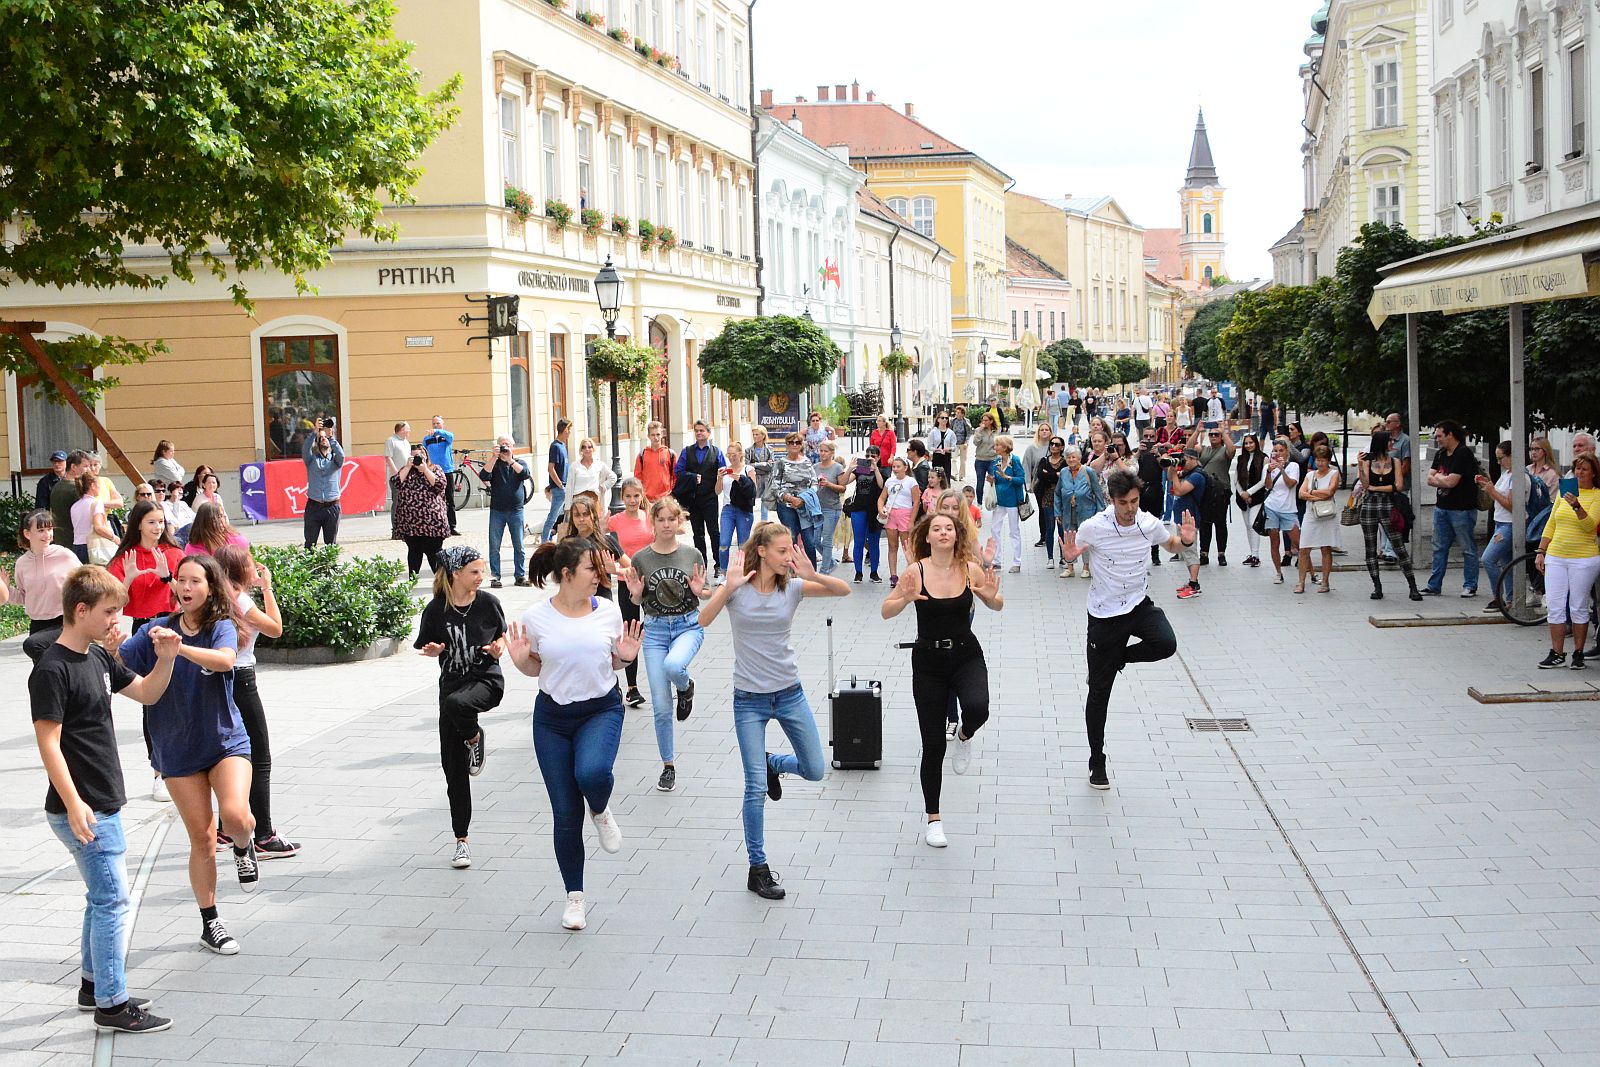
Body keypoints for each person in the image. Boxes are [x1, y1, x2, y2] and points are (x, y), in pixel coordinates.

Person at [31, 566, 179, 1034]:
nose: (117, 619)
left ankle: (94, 986)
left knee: (102, 899)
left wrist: (168, 658)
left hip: (100, 800)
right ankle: (113, 1006)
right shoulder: (53, 670)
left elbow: (147, 693)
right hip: (85, 806)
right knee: (115, 900)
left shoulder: (97, 658)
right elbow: (48, 743)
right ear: (80, 610)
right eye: (109, 611)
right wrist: (75, 803)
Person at [698, 524, 848, 897]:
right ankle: (758, 867)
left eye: (789, 551)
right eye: (782, 551)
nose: (788, 557)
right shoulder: (737, 590)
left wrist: (814, 574)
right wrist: (726, 587)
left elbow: (842, 591)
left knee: (815, 769)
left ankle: (775, 763)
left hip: (789, 694)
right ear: (762, 552)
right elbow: (703, 620)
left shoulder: (793, 588)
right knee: (754, 789)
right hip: (748, 700)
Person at [119, 554, 256, 955]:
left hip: (224, 741)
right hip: (176, 748)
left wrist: (180, 651)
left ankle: (245, 845)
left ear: (211, 587)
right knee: (202, 838)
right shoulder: (154, 630)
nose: (186, 587)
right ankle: (210, 922)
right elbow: (119, 665)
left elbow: (227, 661)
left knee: (234, 817)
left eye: (195, 581)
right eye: (181, 580)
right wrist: (110, 648)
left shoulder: (221, 627)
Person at [509, 538, 640, 930]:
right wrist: (519, 661)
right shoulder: (536, 618)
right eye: (591, 570)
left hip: (600, 710)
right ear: (566, 575)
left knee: (592, 774)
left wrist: (628, 657)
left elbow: (613, 661)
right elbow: (537, 669)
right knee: (565, 814)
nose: (599, 577)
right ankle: (575, 898)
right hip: (552, 720)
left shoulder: (609, 612)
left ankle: (600, 809)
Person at [1059, 470, 1196, 789]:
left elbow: (1172, 544)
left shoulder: (1147, 523)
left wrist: (1185, 539)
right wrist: (1070, 556)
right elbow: (1074, 550)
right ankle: (1097, 760)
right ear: (1112, 500)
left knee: (1166, 643)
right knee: (1099, 695)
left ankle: (1120, 658)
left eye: (1134, 501)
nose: (1130, 508)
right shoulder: (1094, 527)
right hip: (1105, 616)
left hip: (1137, 605)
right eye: (1124, 503)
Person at [881, 511, 1003, 846]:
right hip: (928, 661)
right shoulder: (915, 572)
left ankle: (964, 734)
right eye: (937, 528)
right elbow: (886, 610)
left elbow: (997, 604)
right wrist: (903, 598)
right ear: (928, 537)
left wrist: (991, 597)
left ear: (957, 535)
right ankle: (933, 818)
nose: (944, 532)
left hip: (965, 654)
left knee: (979, 708)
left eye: (949, 528)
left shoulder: (969, 569)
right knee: (933, 745)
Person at [414, 546, 506, 871]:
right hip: (451, 687)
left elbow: (502, 638)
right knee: (453, 771)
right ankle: (461, 841)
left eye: (482, 572)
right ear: (456, 574)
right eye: (475, 572)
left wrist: (499, 648)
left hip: (485, 682)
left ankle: (474, 737)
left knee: (458, 705)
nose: (481, 578)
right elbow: (426, 644)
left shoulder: (488, 604)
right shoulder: (437, 610)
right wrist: (434, 649)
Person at [213, 545, 299, 858]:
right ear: (239, 570)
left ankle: (225, 828)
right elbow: (275, 629)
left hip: (217, 679)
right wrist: (268, 588)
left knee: (227, 753)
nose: (256, 567)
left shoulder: (215, 597)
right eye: (250, 564)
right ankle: (263, 833)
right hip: (242, 679)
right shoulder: (241, 599)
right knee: (259, 757)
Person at [622, 496, 708, 793]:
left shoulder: (692, 553)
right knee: (660, 707)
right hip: (656, 630)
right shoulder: (642, 558)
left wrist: (702, 591)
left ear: (679, 522)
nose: (667, 524)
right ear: (653, 522)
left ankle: (685, 686)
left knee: (674, 665)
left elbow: (703, 592)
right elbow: (636, 600)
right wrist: (634, 594)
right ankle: (668, 765)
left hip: (687, 625)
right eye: (661, 519)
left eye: (672, 519)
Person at [1535, 453, 1600, 669]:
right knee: (1554, 605)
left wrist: (1577, 506)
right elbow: (1551, 523)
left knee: (1578, 606)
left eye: (1584, 469)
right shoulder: (1565, 493)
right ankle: (1557, 652)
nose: (1580, 473)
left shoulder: (1597, 496)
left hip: (1584, 558)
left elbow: (1590, 526)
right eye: (1577, 469)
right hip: (1556, 555)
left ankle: (1578, 653)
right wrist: (1541, 550)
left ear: (1593, 473)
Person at [1359, 431, 1422, 601]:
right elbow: (1365, 485)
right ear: (1382, 443)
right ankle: (1377, 587)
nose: (1392, 443)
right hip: (1369, 505)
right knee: (1370, 548)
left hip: (1388, 505)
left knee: (1399, 546)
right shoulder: (1367, 461)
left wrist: (1375, 488)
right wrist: (1360, 467)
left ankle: (1412, 586)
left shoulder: (1395, 461)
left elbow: (1399, 486)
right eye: (1389, 440)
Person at [1423, 419, 1481, 597]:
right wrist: (1443, 479)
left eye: (1440, 436)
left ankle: (1470, 585)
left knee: (1467, 548)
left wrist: (1441, 478)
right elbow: (1429, 478)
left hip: (1462, 509)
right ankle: (1434, 585)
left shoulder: (1463, 454)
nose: (1437, 439)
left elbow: (1452, 482)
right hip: (1442, 508)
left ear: (1450, 435)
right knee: (1439, 547)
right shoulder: (1441, 454)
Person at [610, 479, 653, 708]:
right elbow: (599, 537)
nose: (632, 501)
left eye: (636, 496)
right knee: (630, 631)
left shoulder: (650, 517)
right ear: (622, 498)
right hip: (625, 581)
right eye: (628, 496)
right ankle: (632, 687)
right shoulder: (615, 521)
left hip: (649, 581)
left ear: (641, 496)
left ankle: (663, 678)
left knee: (653, 626)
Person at [16, 510, 79, 662]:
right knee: (44, 676)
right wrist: (5, 591)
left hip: (64, 621)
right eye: (41, 530)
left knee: (51, 664)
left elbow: (85, 582)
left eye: (49, 529)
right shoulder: (22, 563)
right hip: (37, 625)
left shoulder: (65, 555)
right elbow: (24, 597)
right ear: (27, 533)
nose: (47, 535)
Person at [391, 441, 451, 581]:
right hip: (410, 522)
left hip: (432, 522)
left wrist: (425, 469)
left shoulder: (435, 469)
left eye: (420, 456)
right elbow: (396, 483)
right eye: (414, 456)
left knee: (434, 553)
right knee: (414, 552)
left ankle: (443, 584)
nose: (417, 459)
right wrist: (407, 466)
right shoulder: (406, 471)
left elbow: (440, 485)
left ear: (426, 456)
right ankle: (412, 582)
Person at [480, 434, 532, 589]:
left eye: (507, 445)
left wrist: (510, 460)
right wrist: (494, 457)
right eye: (502, 444)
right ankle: (495, 576)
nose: (505, 448)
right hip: (497, 510)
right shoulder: (494, 464)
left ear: (513, 446)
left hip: (516, 510)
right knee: (494, 546)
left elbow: (525, 475)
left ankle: (520, 575)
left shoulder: (519, 462)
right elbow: (483, 475)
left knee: (519, 545)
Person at [673, 420, 726, 574]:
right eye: (696, 430)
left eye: (702, 430)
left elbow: (723, 471)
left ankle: (718, 564)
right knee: (698, 533)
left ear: (708, 433)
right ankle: (701, 564)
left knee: (714, 531)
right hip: (693, 498)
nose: (699, 433)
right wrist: (692, 476)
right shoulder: (687, 451)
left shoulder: (717, 452)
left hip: (710, 497)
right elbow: (679, 471)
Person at [766, 431, 821, 566]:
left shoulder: (807, 462)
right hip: (786, 507)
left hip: (805, 505)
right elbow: (774, 486)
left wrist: (803, 499)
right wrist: (790, 498)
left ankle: (812, 575)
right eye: (791, 442)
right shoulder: (780, 463)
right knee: (790, 539)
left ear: (801, 445)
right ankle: (790, 573)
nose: (794, 445)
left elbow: (814, 483)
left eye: (798, 442)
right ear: (787, 445)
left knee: (809, 541)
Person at [1477, 441, 1519, 613]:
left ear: (1511, 456)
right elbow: (1499, 494)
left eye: (1501, 458)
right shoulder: (1506, 474)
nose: (1499, 462)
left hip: (1508, 525)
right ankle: (1510, 599)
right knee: (1506, 563)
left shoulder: (1516, 476)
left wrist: (1492, 491)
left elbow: (1511, 505)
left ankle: (1498, 597)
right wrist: (1487, 485)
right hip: (1501, 522)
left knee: (1488, 559)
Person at [1296, 445, 1341, 594]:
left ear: (1328, 460)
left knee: (1326, 547)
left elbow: (1330, 491)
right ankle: (1301, 582)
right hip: (1311, 513)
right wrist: (1317, 495)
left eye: (1323, 460)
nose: (1320, 463)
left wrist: (1311, 492)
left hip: (1327, 514)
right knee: (1304, 548)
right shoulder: (1310, 475)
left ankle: (1325, 582)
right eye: (1318, 460)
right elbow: (1301, 494)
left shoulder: (1334, 473)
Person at [1055, 446, 1104, 580]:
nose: (1071, 460)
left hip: (1086, 511)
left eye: (1074, 457)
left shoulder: (1088, 471)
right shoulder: (1064, 472)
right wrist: (1057, 511)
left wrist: (1100, 513)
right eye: (1068, 457)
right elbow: (1058, 493)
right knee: (1069, 538)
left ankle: (1086, 567)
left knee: (1085, 539)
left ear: (1079, 458)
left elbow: (1097, 492)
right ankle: (1070, 567)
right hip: (1067, 511)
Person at [1168, 449, 1206, 599]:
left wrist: (1177, 474)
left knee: (1190, 552)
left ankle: (1194, 585)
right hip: (1182, 518)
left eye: (1185, 460)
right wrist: (1173, 465)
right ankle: (1191, 582)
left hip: (1190, 520)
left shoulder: (1196, 475)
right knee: (1186, 551)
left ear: (1193, 459)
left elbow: (1178, 490)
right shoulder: (1188, 473)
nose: (1183, 463)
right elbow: (1171, 478)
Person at [1196, 423, 1236, 566]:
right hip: (1205, 490)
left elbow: (1232, 450)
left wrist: (1223, 431)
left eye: (1216, 435)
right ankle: (1204, 553)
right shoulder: (1204, 449)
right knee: (1205, 523)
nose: (1213, 436)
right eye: (1211, 434)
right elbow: (1189, 448)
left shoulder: (1224, 451)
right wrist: (1198, 430)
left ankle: (1221, 554)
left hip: (1221, 490)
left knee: (1220, 523)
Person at [1264, 437, 1302, 584]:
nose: (1278, 453)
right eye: (1275, 450)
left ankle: (1311, 573)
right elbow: (1268, 486)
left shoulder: (1293, 466)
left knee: (1298, 543)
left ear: (1287, 451)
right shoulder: (1269, 467)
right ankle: (1278, 572)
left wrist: (1281, 469)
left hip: (1288, 509)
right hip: (1271, 507)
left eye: (1281, 450)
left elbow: (1291, 484)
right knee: (1274, 541)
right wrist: (1268, 471)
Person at [302, 418, 344, 549]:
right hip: (314, 506)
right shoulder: (311, 460)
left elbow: (342, 455)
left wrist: (331, 437)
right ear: (317, 443)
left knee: (330, 544)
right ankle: (308, 568)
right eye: (321, 438)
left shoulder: (335, 460)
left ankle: (330, 568)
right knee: (310, 543)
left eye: (325, 438)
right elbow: (305, 449)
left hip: (332, 506)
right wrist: (315, 432)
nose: (323, 439)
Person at [844, 447, 885, 583]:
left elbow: (881, 485)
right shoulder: (861, 469)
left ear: (878, 457)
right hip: (858, 508)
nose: (869, 458)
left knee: (874, 542)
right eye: (867, 455)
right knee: (859, 541)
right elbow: (843, 482)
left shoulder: (883, 471)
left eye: (873, 455)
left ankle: (874, 572)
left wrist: (876, 469)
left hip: (874, 510)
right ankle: (858, 572)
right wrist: (850, 468)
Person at [717, 441, 758, 576]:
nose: (731, 457)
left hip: (743, 509)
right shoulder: (724, 470)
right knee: (724, 542)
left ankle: (744, 571)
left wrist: (740, 479)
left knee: (743, 544)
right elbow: (717, 492)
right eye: (728, 454)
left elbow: (754, 490)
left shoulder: (748, 469)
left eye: (734, 454)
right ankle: (723, 573)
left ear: (740, 454)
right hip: (728, 508)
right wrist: (719, 478)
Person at [986, 434, 1026, 573]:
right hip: (1000, 500)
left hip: (1013, 501)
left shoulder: (1014, 460)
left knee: (1014, 531)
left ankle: (1017, 562)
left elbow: (1021, 479)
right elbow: (996, 478)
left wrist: (1008, 477)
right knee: (994, 529)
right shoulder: (997, 460)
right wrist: (991, 480)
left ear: (1005, 447)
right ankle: (997, 560)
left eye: (997, 445)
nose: (995, 447)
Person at [879, 455, 920, 586]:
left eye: (898, 467)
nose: (895, 469)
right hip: (891, 513)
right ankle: (893, 575)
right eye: (894, 467)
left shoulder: (911, 482)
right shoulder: (889, 481)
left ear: (905, 468)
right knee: (892, 546)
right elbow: (882, 498)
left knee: (907, 546)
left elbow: (916, 501)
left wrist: (912, 520)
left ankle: (911, 574)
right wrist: (881, 509)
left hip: (905, 514)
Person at [1234, 432, 1268, 568]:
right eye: (1246, 443)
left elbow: (1264, 480)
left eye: (1251, 442)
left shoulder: (1263, 458)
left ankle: (1256, 555)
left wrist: (1249, 492)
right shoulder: (1241, 458)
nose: (1248, 445)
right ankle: (1252, 553)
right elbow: (1236, 479)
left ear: (1256, 443)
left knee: (1254, 525)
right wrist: (1242, 493)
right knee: (1248, 526)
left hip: (1257, 496)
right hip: (1242, 497)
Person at [1032, 437, 1067, 567]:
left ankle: (1063, 557)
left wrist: (1050, 475)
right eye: (1051, 444)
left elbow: (1064, 476)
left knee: (1061, 528)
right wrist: (1055, 475)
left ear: (1062, 447)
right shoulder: (1044, 460)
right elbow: (1041, 475)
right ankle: (1050, 558)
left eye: (1057, 444)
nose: (1053, 446)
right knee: (1050, 527)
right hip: (1047, 497)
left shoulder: (1065, 462)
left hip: (1062, 499)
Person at [422, 416, 460, 536]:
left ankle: (452, 526)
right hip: (432, 471)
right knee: (433, 499)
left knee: (449, 499)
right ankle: (434, 524)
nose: (435, 425)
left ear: (442, 424)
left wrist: (438, 432)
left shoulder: (446, 436)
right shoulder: (427, 438)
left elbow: (451, 436)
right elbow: (424, 451)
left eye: (438, 423)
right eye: (433, 423)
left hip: (446, 470)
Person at [813, 440, 846, 575]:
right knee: (814, 540)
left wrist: (829, 484)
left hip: (832, 508)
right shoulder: (815, 467)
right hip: (816, 508)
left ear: (832, 453)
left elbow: (842, 488)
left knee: (827, 539)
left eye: (825, 451)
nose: (822, 453)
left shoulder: (837, 468)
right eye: (821, 451)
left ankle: (824, 570)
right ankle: (831, 561)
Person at [1021, 424, 1054, 547]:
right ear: (1038, 432)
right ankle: (1044, 536)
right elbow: (1026, 466)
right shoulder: (1032, 448)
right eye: (1042, 430)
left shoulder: (1055, 446)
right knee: (1043, 509)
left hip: (1055, 484)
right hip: (1039, 484)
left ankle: (1054, 535)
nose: (1044, 432)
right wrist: (1028, 484)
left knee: (1055, 510)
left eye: (1047, 429)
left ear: (1051, 432)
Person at [51, 450, 91, 551]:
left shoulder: (57, 486)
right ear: (73, 467)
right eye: (85, 466)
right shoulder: (76, 489)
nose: (89, 470)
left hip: (60, 539)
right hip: (76, 541)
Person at [541, 417, 573, 542]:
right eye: (569, 429)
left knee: (566, 514)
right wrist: (560, 484)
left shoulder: (563, 446)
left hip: (565, 486)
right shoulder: (555, 446)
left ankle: (559, 538)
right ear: (565, 430)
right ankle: (545, 540)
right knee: (553, 516)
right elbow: (551, 468)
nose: (570, 432)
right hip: (560, 488)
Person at [632, 421, 676, 503]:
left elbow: (675, 476)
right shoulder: (642, 455)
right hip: (648, 499)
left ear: (662, 435)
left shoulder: (670, 454)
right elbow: (637, 478)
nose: (656, 438)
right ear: (648, 436)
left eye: (658, 434)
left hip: (666, 498)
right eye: (653, 435)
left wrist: (671, 492)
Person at [184, 502, 249, 557]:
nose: (220, 521)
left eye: (221, 516)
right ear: (203, 522)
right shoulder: (192, 548)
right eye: (214, 518)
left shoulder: (238, 541)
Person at [568, 437, 618, 502]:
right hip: (578, 500)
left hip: (594, 499)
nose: (587, 449)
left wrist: (604, 486)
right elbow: (569, 487)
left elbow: (613, 477)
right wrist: (568, 507)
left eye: (589, 447)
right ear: (581, 449)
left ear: (593, 449)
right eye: (584, 447)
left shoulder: (599, 464)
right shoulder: (574, 466)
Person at [746, 424, 774, 521]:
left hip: (766, 479)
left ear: (763, 436)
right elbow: (747, 466)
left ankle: (764, 523)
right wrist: (764, 464)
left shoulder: (769, 449)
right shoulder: (748, 450)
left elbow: (771, 466)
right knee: (750, 500)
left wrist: (755, 464)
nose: (755, 436)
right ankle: (748, 520)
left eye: (757, 434)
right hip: (754, 478)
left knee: (765, 502)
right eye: (754, 434)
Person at [162, 481, 196, 547]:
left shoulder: (183, 503)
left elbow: (193, 515)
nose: (180, 491)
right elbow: (175, 520)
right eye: (177, 489)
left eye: (181, 489)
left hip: (191, 528)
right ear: (171, 492)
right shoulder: (166, 504)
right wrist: (175, 502)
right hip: (180, 531)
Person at [929, 412, 957, 484]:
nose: (944, 419)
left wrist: (949, 449)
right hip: (937, 456)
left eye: (946, 418)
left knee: (946, 477)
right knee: (936, 476)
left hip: (947, 456)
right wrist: (937, 449)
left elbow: (954, 447)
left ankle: (947, 492)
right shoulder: (933, 432)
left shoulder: (951, 433)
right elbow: (929, 446)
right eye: (942, 418)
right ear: (938, 419)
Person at [949, 407, 971, 481]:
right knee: (953, 459)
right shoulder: (952, 421)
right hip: (954, 443)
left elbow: (969, 433)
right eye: (956, 412)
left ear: (962, 414)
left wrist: (966, 442)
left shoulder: (966, 421)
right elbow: (949, 431)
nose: (957, 414)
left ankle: (961, 475)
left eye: (958, 413)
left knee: (963, 460)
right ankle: (955, 474)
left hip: (963, 442)